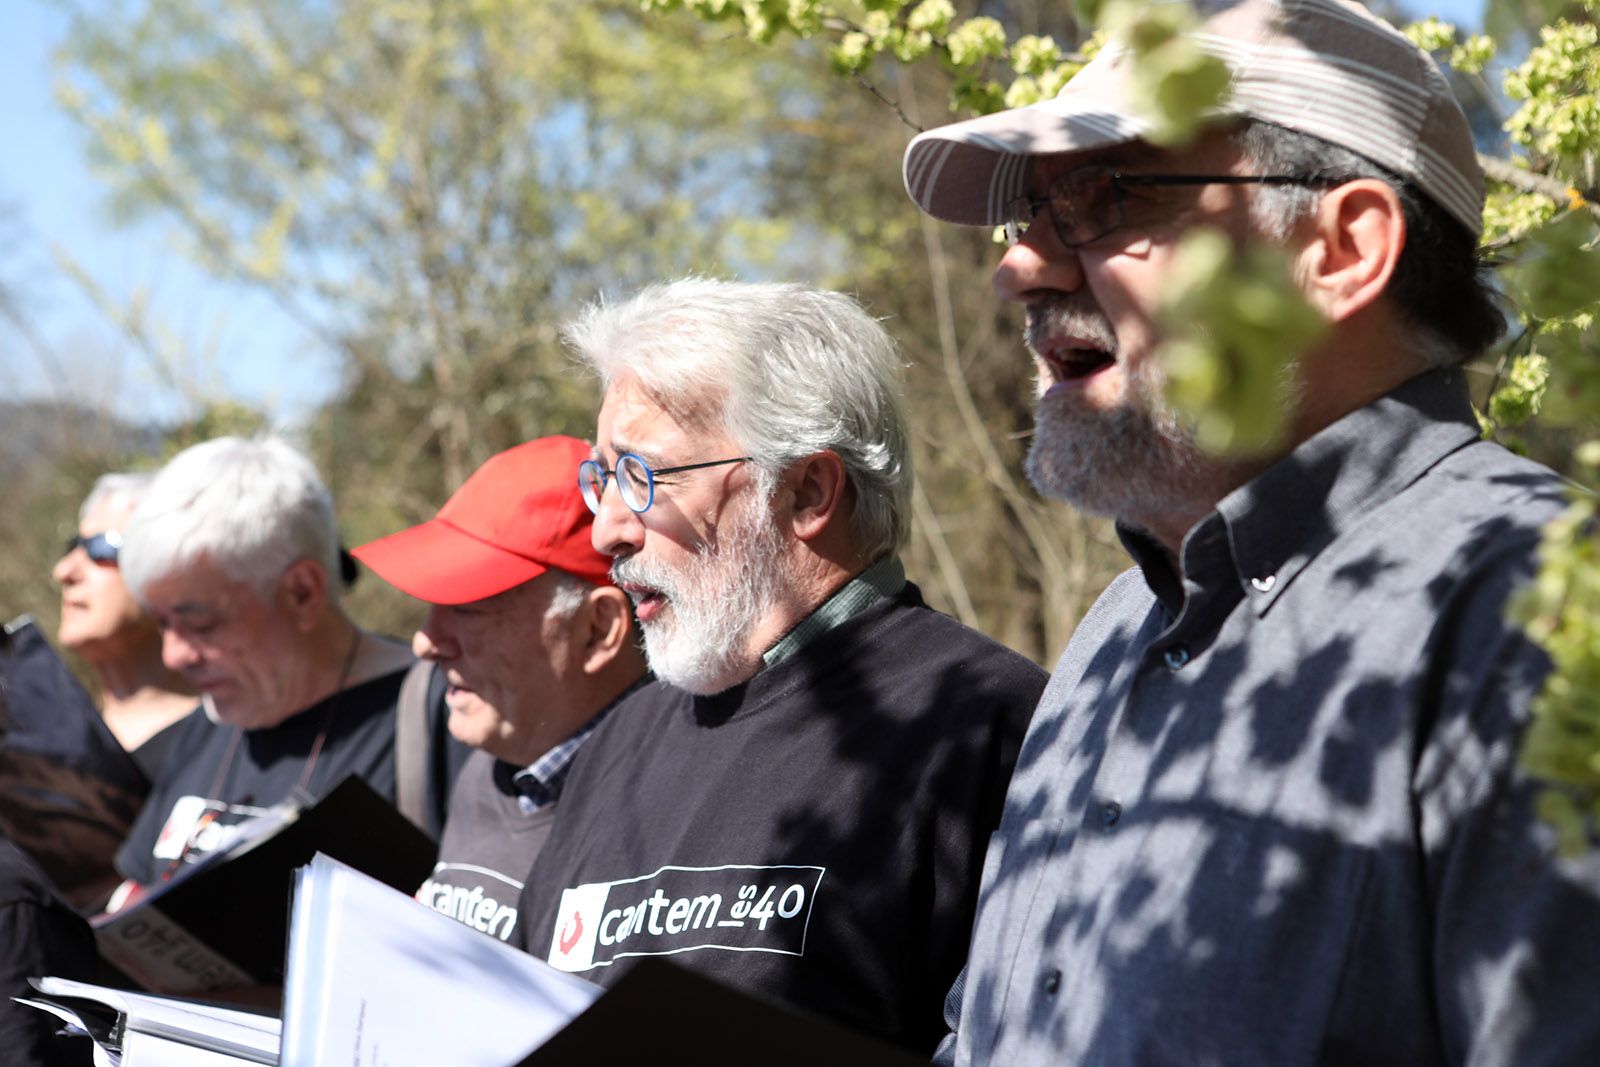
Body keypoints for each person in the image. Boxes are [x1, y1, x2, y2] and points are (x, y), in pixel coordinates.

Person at [901, 0, 1600, 1064]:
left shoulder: (1536, 619)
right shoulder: (1110, 631)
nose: (1018, 269)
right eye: (1027, 216)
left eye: (1100, 196)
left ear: (1339, 248)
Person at [515, 279, 1047, 1055]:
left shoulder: (983, 725)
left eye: (642, 477)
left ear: (806, 492)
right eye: (602, 480)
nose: (606, 532)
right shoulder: (617, 741)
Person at [352, 435, 647, 944]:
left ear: (598, 630)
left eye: (469, 608)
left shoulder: (662, 814)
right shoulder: (490, 770)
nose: (426, 642)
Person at [109, 436, 414, 892]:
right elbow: (137, 891)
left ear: (302, 593)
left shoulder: (431, 718)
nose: (174, 655)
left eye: (202, 624)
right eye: (162, 623)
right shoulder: (215, 713)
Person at [53, 472, 197, 780]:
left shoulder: (232, 744)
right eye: (72, 547)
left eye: (100, 548)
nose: (64, 571)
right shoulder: (48, 756)